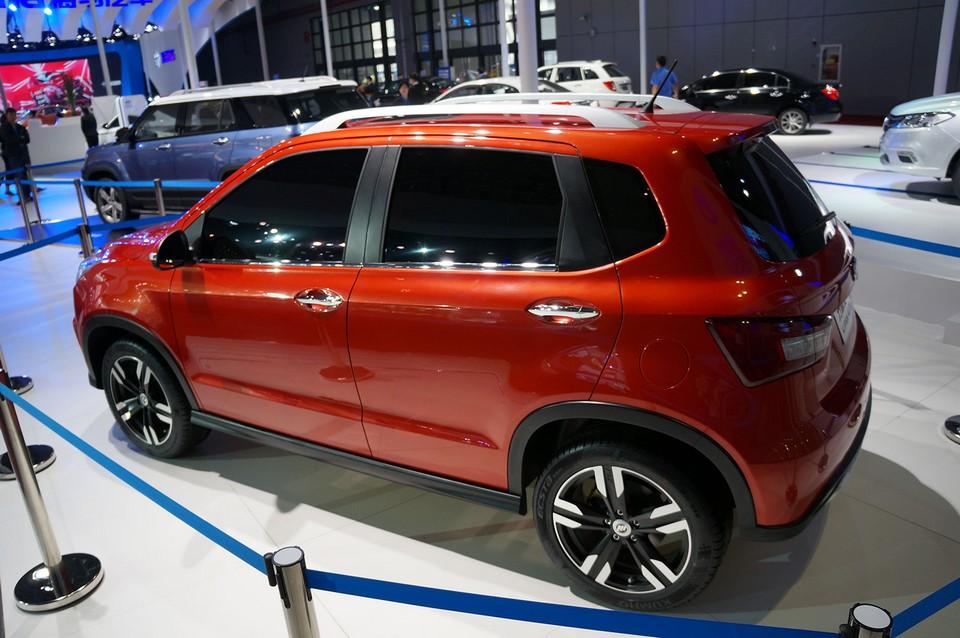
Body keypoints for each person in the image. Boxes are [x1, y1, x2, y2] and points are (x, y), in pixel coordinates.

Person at [0, 108, 31, 202]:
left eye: (14, 114)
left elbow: (27, 139)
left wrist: (18, 140)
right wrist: (20, 139)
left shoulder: (20, 127)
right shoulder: (3, 128)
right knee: (18, 176)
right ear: (6, 116)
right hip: (13, 156)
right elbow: (8, 140)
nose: (13, 117)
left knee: (25, 175)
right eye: (10, 115)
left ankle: (27, 195)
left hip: (23, 155)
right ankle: (22, 196)